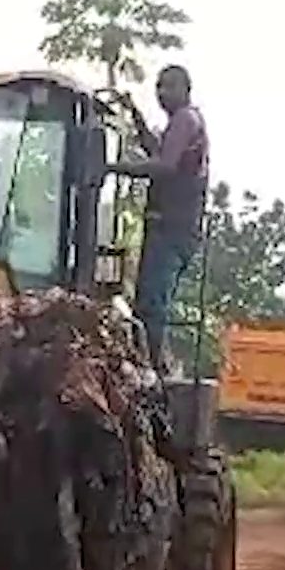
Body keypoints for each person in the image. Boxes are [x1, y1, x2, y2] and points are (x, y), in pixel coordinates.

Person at [109, 64, 210, 372]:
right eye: (158, 87)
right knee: (146, 304)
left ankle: (149, 371)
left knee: (151, 307)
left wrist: (116, 168)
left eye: (168, 87)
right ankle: (150, 364)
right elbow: (157, 151)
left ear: (185, 89)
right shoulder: (182, 125)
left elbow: (164, 166)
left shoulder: (185, 120)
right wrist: (135, 114)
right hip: (170, 229)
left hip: (172, 229)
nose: (161, 94)